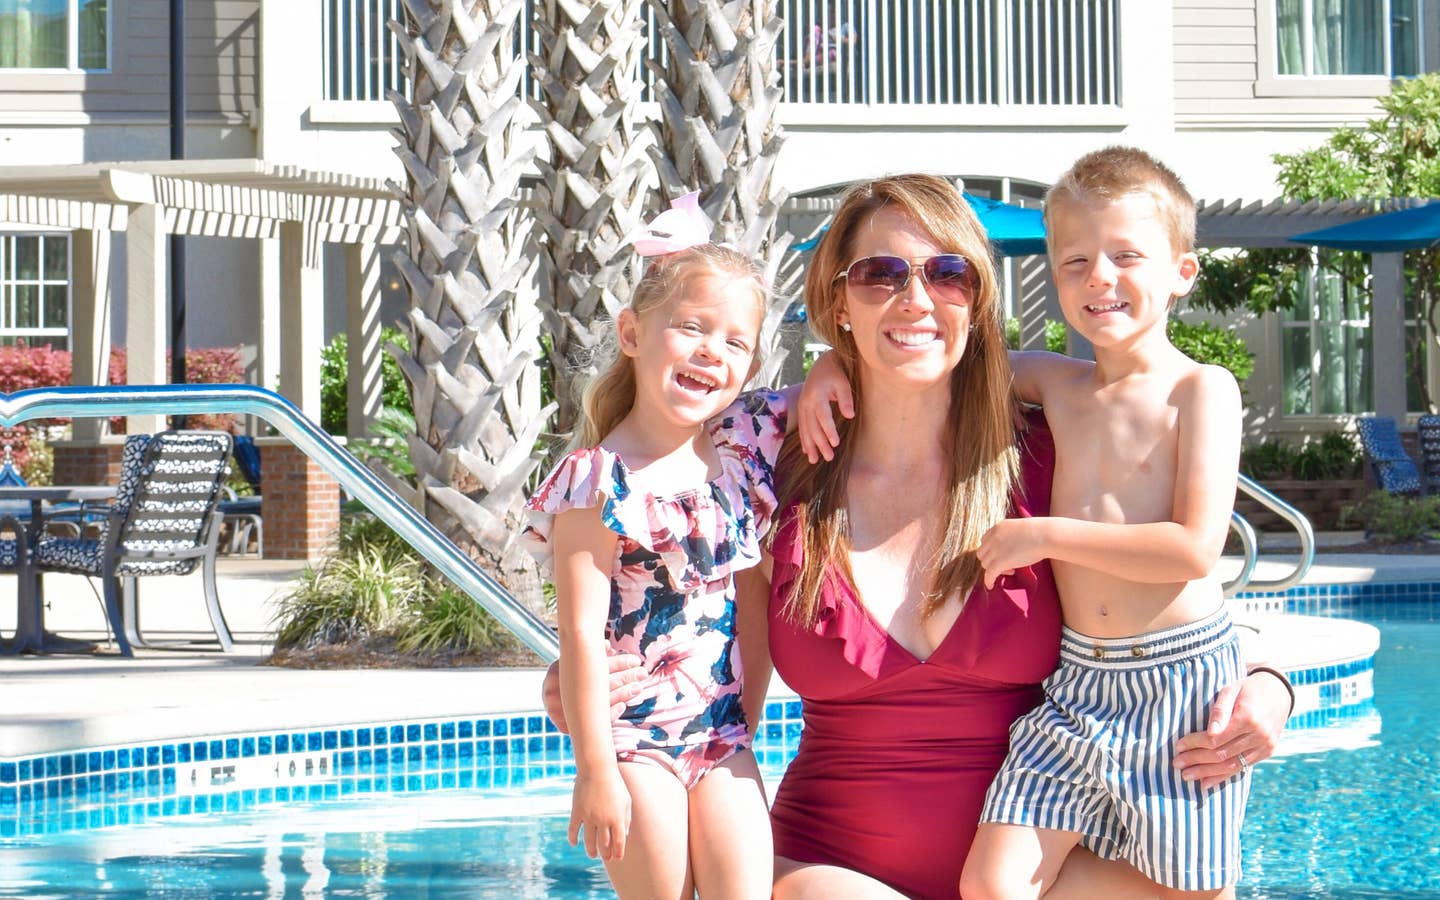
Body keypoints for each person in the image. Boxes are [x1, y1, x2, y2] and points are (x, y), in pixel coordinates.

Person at [544, 174, 1293, 900]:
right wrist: (589, 681)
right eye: (880, 275)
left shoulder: (1045, 451)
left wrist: (1268, 685)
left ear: (977, 300)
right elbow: (677, 617)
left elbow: (1169, 596)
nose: (916, 299)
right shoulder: (773, 467)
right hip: (819, 872)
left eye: (947, 274)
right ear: (839, 302)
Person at [956, 147, 1261, 899]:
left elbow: (1193, 548)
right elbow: (944, 365)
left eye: (1126, 256)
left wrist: (1044, 534)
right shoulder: (1057, 384)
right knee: (992, 883)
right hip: (1078, 684)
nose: (1099, 276)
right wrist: (826, 372)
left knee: (1190, 889)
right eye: (1075, 261)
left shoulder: (1201, 390)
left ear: (1182, 272)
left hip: (1180, 685)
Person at [520, 192, 786, 899]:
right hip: (634, 741)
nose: (711, 351)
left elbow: (752, 606)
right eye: (691, 327)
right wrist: (595, 771)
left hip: (724, 735)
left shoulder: (740, 457)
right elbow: (580, 632)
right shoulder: (598, 479)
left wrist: (748, 719)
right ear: (633, 333)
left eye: (735, 342)